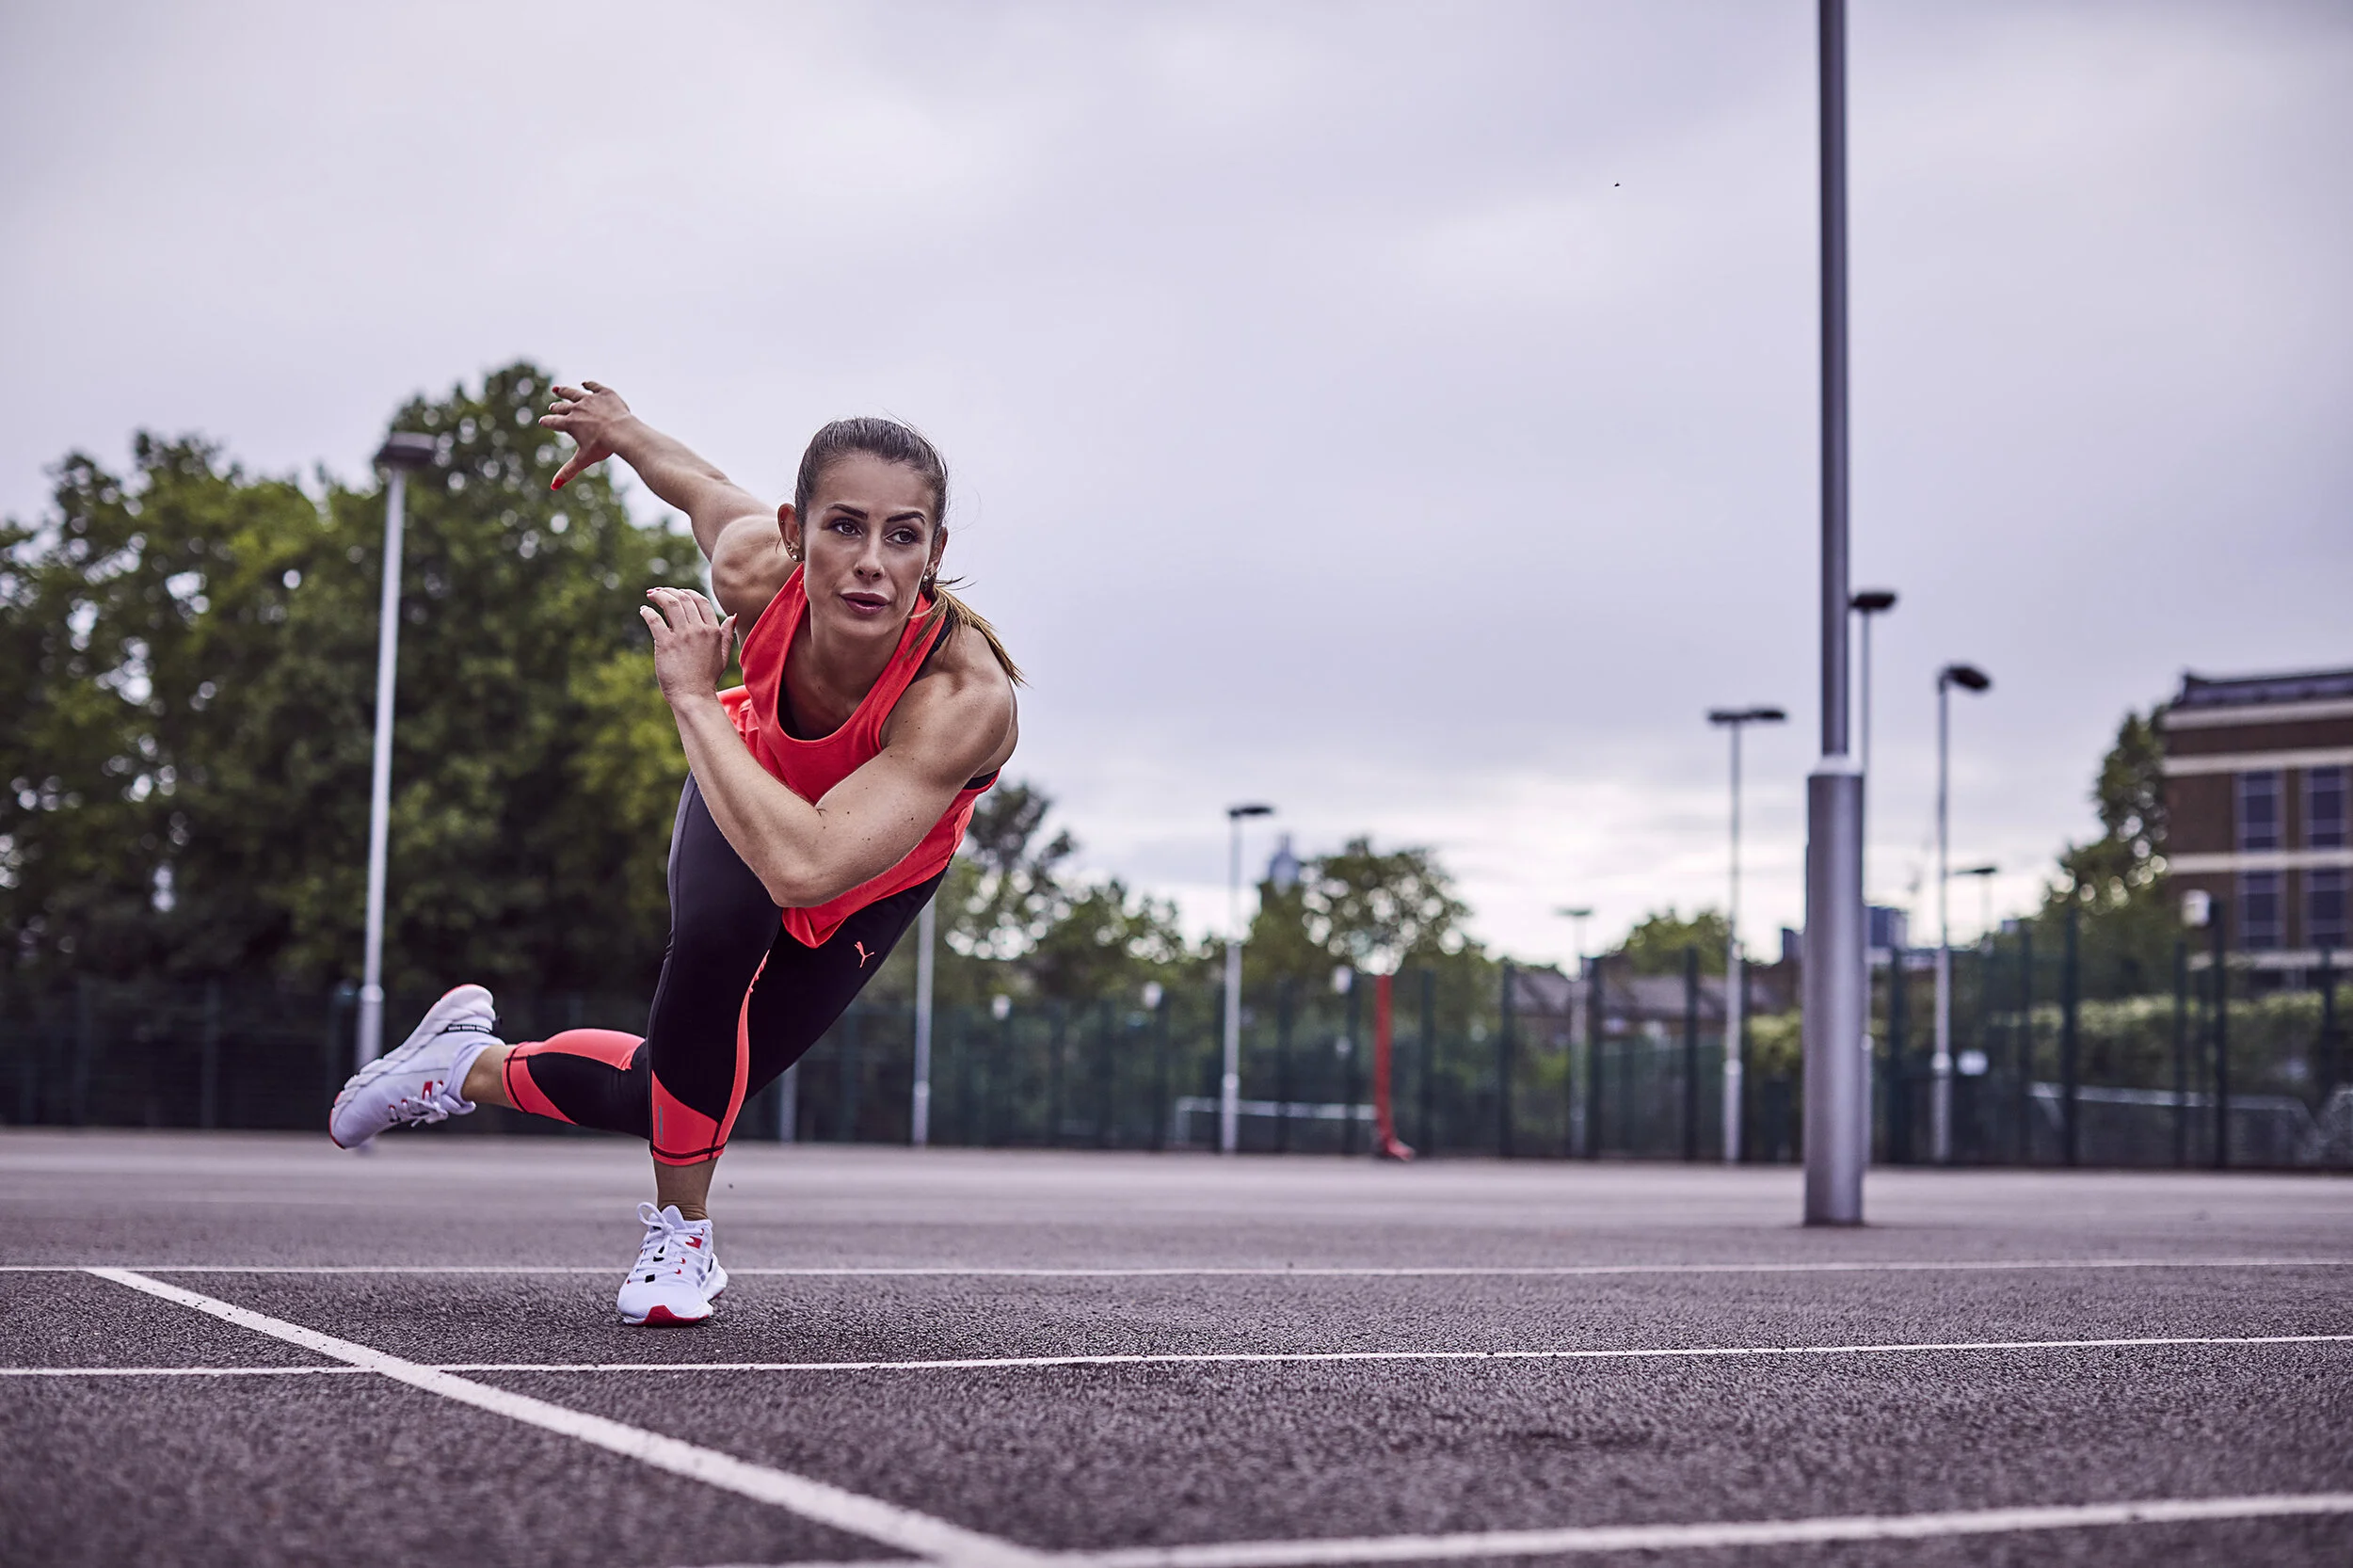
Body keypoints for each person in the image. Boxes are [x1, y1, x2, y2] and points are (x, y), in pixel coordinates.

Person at [328, 383, 1019, 1324]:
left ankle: (460, 1068)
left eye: (902, 536)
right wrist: (620, 433)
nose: (869, 562)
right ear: (792, 531)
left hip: (860, 879)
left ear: (934, 553)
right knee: (718, 935)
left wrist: (693, 699)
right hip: (746, 785)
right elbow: (697, 482)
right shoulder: (750, 566)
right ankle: (679, 1237)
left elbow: (807, 868)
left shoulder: (961, 699)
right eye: (844, 527)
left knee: (679, 1088)